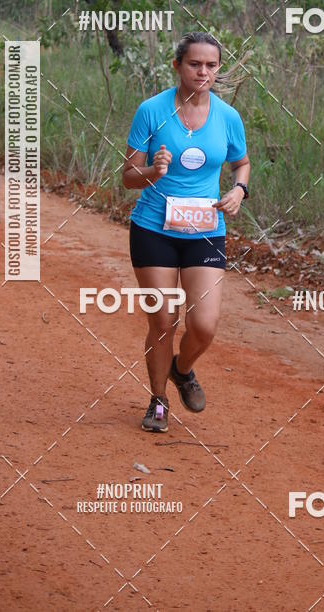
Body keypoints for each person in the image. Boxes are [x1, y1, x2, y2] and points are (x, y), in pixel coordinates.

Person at [122, 32, 250, 433]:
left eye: (211, 65)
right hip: (153, 229)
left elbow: (241, 163)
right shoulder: (151, 110)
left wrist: (239, 190)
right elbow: (127, 176)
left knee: (204, 326)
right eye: (195, 64)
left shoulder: (228, 117)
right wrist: (153, 172)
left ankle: (183, 369)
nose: (203, 72)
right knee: (163, 319)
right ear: (178, 65)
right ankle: (158, 401)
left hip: (206, 230)